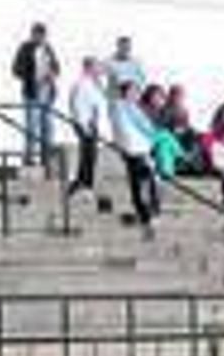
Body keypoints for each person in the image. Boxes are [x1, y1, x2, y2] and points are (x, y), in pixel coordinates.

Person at [108, 80, 160, 237]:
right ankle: (147, 215)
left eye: (138, 91)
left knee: (145, 182)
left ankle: (148, 213)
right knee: (141, 182)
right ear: (127, 92)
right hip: (135, 150)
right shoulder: (122, 106)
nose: (138, 94)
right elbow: (140, 128)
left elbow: (145, 128)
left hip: (138, 150)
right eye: (135, 91)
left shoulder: (130, 108)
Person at [11, 22, 59, 167]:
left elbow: (57, 67)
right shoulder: (25, 48)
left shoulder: (48, 48)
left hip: (47, 93)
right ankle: (29, 157)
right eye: (37, 34)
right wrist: (32, 75)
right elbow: (16, 69)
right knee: (32, 126)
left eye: (43, 35)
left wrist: (52, 73)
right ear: (32, 34)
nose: (40, 38)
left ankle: (46, 156)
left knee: (48, 126)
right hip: (32, 92)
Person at [66, 57, 104, 200]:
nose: (99, 70)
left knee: (90, 156)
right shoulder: (81, 84)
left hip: (91, 124)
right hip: (85, 124)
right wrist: (84, 125)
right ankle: (84, 185)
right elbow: (77, 106)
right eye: (96, 67)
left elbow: (98, 104)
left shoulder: (93, 84)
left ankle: (81, 184)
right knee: (89, 155)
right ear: (88, 68)